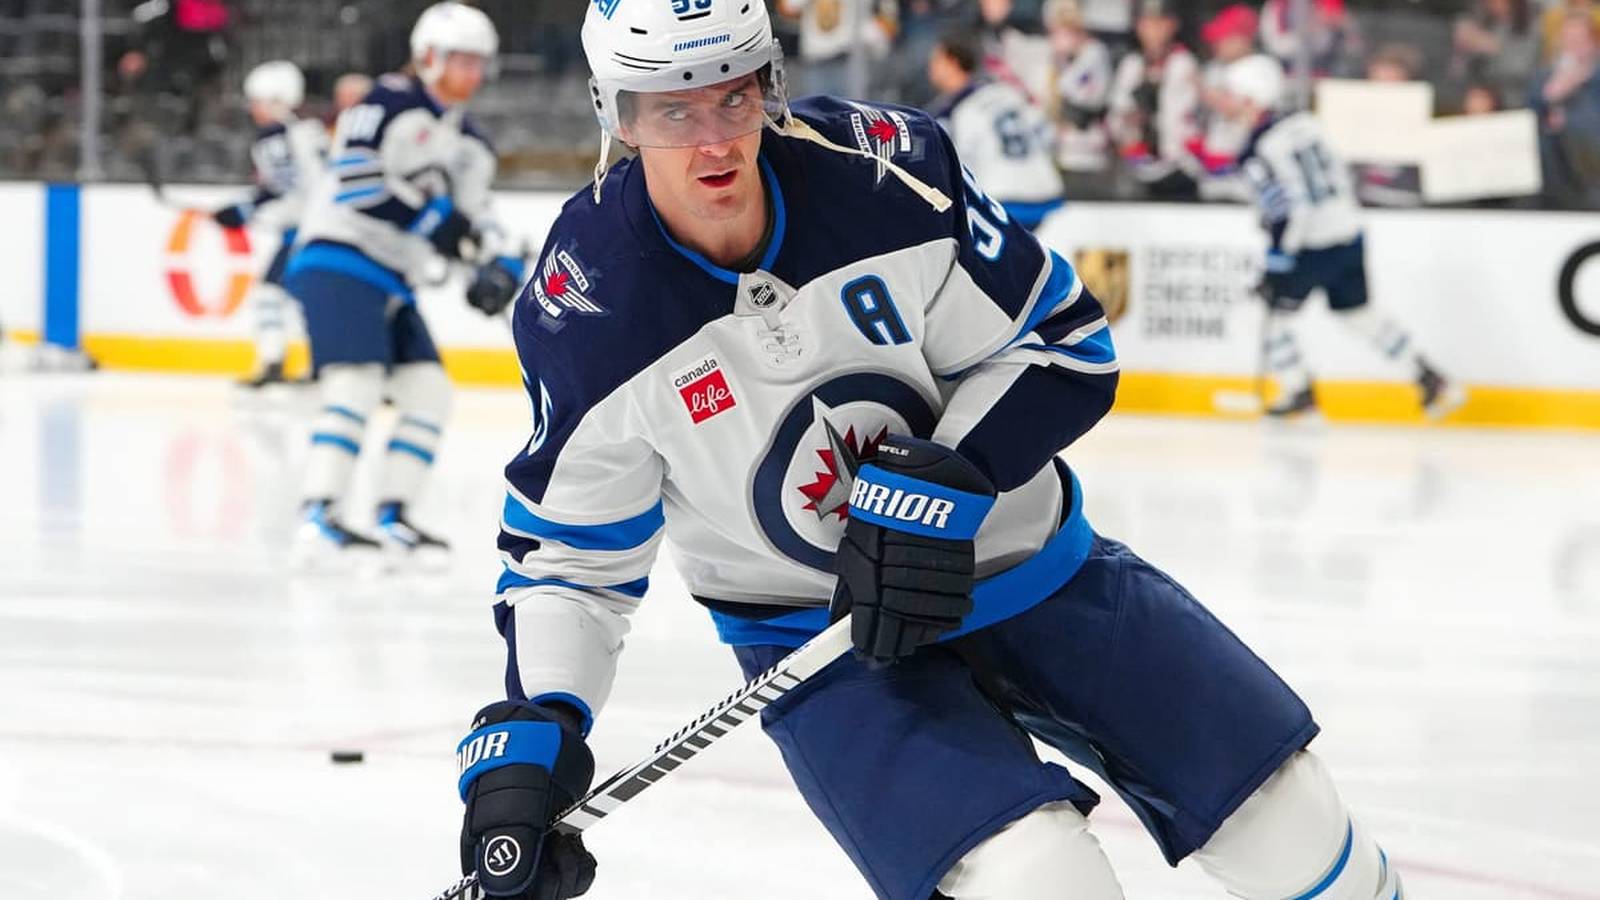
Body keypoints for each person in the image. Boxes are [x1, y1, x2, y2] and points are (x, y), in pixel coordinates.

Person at [450, 2, 1410, 899]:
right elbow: (572, 560)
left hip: (1038, 571)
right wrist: (538, 725)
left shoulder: (888, 172)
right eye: (670, 110)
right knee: (1039, 879)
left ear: (769, 80)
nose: (712, 140)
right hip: (826, 647)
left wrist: (953, 479)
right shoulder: (586, 310)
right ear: (615, 114)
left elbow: (1064, 344)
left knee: (1294, 824)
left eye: (734, 94)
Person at [283, 2, 524, 564]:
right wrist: (438, 224)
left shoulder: (469, 142)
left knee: (430, 395)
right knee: (356, 383)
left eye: (479, 62)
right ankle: (317, 512)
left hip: (392, 277)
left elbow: (469, 221)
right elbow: (359, 183)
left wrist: (493, 263)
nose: (473, 73)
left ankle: (393, 515)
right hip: (338, 259)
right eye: (463, 59)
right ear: (430, 56)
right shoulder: (385, 103)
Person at [1220, 56, 1465, 420]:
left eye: (1233, 95)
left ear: (1253, 99)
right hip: (1347, 233)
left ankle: (1298, 391)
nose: (1226, 102)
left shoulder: (1259, 148)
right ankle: (1428, 377)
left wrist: (1278, 259)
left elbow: (1289, 210)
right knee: (1357, 313)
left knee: (1268, 311)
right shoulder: (1307, 123)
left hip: (1309, 245)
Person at [212, 61, 327, 388]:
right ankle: (318, 363)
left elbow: (285, 189)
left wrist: (247, 210)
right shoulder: (307, 132)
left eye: (259, 101)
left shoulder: (278, 139)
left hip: (305, 232)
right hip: (314, 230)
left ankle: (278, 360)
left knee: (272, 294)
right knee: (304, 297)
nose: (253, 109)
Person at [928, 29, 1066, 230]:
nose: (930, 68)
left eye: (936, 60)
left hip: (1003, 201)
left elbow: (951, 171)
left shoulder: (952, 113)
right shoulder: (1006, 91)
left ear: (952, 62)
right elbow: (1048, 134)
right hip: (1048, 195)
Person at [1107, 0, 1201, 199]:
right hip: (1138, 165)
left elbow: (1188, 116)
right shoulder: (1131, 65)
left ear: (1172, 25)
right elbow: (1116, 114)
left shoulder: (1183, 62)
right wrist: (1130, 119)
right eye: (1147, 23)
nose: (1154, 31)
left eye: (1160, 23)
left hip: (1179, 166)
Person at [1531, 12, 1600, 209]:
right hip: (1553, 172)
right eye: (1567, 39)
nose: (1573, 46)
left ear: (1594, 42)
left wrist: (1568, 119)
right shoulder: (1543, 76)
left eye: (1579, 39)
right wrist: (1551, 94)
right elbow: (1529, 118)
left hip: (1591, 168)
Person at [1041, 0, 1114, 180]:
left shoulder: (1094, 53)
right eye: (1058, 29)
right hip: (1057, 154)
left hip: (1088, 153)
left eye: (1070, 29)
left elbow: (1082, 101)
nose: (1062, 35)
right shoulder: (1053, 57)